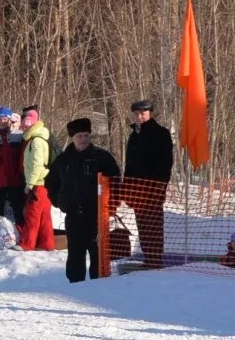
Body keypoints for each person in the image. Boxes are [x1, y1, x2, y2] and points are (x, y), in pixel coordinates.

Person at [48, 117, 121, 283]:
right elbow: (51, 183)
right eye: (79, 136)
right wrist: (59, 201)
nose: (83, 139)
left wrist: (112, 205)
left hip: (97, 214)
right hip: (73, 214)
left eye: (86, 135)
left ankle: (99, 285)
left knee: (98, 253)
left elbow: (116, 182)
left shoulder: (101, 157)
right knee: (75, 253)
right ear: (72, 138)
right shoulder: (63, 160)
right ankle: (76, 286)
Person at [123, 99, 174, 267]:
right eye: (137, 114)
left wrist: (159, 187)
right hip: (136, 189)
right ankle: (148, 259)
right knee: (142, 226)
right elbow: (129, 165)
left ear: (149, 113)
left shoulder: (161, 133)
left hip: (153, 188)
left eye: (143, 113)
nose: (140, 117)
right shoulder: (133, 136)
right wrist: (126, 188)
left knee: (154, 227)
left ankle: (155, 261)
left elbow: (165, 164)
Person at [18, 106, 55, 250]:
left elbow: (36, 164)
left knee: (32, 215)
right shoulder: (38, 138)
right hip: (43, 183)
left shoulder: (36, 141)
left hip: (37, 184)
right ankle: (47, 244)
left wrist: (29, 183)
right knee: (45, 216)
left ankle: (27, 244)